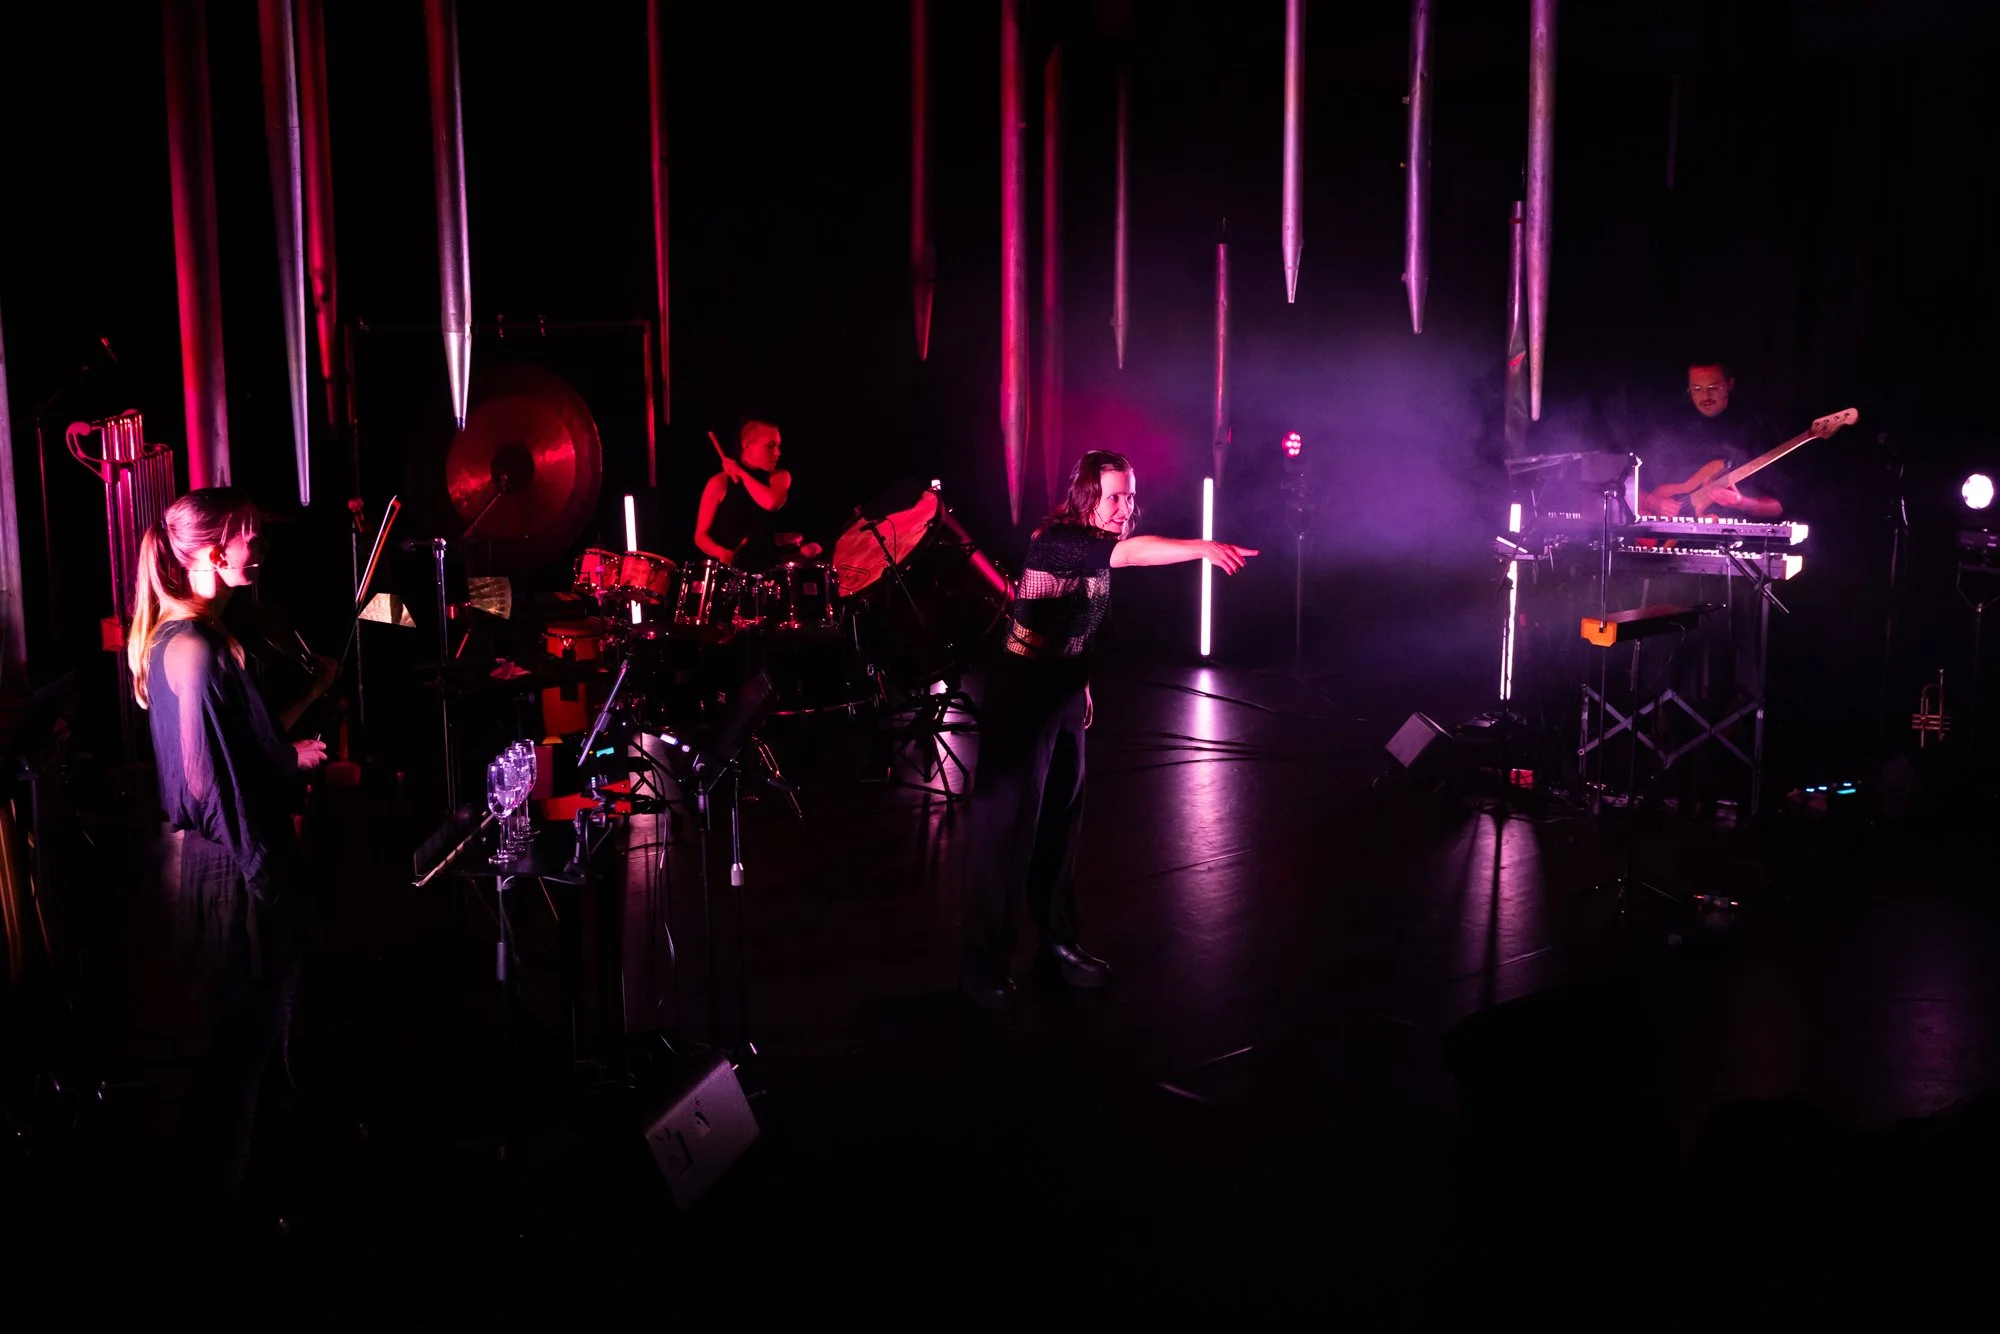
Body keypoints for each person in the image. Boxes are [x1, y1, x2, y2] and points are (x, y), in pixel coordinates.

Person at [959, 450, 1257, 1010]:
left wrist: (1082, 685)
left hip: (1065, 694)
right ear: (1087, 498)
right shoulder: (1058, 540)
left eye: (1129, 495)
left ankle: (1057, 944)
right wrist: (1202, 548)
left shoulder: (1092, 550)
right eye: (1114, 496)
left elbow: (1072, 621)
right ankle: (982, 967)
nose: (1125, 507)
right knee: (1005, 835)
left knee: (1059, 831)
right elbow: (1129, 556)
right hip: (1022, 702)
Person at [128, 489, 327, 1221]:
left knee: (256, 1047)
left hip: (228, 862)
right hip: (233, 868)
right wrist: (266, 874)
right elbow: (211, 787)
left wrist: (288, 747)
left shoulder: (193, 638)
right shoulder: (193, 644)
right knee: (241, 1056)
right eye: (249, 537)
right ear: (213, 551)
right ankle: (220, 1218)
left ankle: (245, 1198)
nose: (260, 548)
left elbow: (231, 758)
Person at [1636, 360, 1784, 519]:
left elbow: (1777, 507)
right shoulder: (1666, 428)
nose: (1705, 396)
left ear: (1730, 384)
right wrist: (1652, 503)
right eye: (1697, 389)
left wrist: (1741, 502)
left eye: (1713, 388)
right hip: (1667, 539)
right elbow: (1625, 488)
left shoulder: (1755, 431)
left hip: (1732, 540)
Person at [693, 419, 820, 571]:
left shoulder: (779, 476)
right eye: (770, 446)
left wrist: (741, 473)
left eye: (778, 445)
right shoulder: (719, 482)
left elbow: (772, 502)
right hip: (729, 574)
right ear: (747, 445)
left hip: (767, 573)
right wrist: (721, 552)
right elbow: (700, 536)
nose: (778, 452)